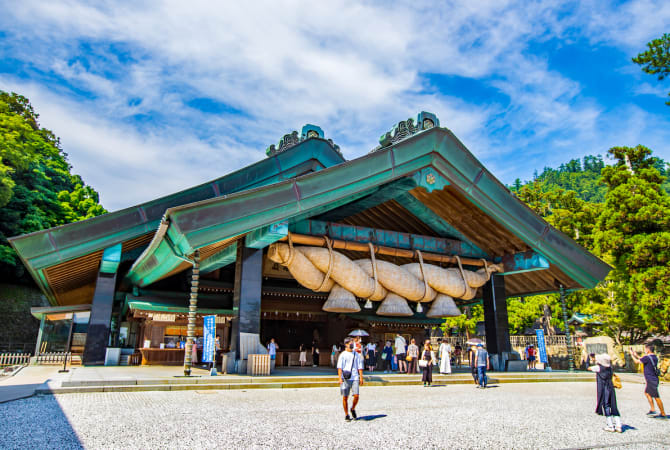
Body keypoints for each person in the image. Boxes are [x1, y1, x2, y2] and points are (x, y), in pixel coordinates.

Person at [588, 353, 623, 432]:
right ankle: (618, 425)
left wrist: (589, 360)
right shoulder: (610, 368)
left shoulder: (598, 368)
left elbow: (588, 368)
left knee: (606, 405)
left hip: (604, 387)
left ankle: (610, 425)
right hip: (611, 387)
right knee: (614, 405)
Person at [631, 344, 666, 418]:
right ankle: (652, 409)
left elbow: (637, 362)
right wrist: (636, 355)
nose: (645, 350)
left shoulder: (647, 357)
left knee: (656, 396)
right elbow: (643, 359)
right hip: (653, 379)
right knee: (647, 393)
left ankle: (663, 413)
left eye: (645, 349)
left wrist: (632, 355)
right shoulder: (654, 357)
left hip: (651, 379)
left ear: (648, 350)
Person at [337, 337, 365, 422]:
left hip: (355, 377)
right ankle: (346, 414)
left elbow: (359, 366)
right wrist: (339, 378)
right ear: (346, 344)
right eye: (351, 343)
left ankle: (352, 408)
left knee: (356, 395)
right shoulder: (343, 354)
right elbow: (339, 367)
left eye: (353, 343)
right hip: (346, 377)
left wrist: (361, 377)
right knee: (345, 397)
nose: (352, 344)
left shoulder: (356, 354)